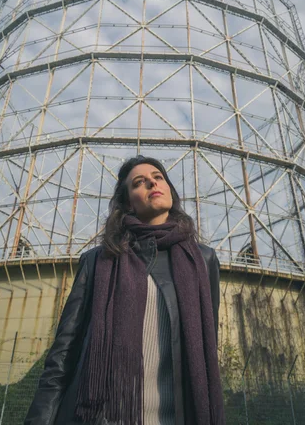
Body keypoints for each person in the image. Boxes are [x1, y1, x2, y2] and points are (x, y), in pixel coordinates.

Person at [24, 155, 225, 425]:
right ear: (128, 202)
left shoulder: (203, 260)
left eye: (158, 177)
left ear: (169, 190)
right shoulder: (99, 261)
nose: (152, 183)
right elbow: (63, 353)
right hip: (103, 417)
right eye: (139, 183)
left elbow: (206, 347)